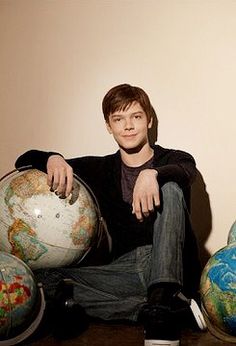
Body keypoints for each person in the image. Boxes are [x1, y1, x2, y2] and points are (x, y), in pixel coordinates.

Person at [15, 84, 205, 346]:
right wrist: (53, 158)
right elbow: (23, 160)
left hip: (174, 268)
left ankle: (164, 299)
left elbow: (186, 170)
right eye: (118, 119)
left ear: (149, 120)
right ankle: (155, 310)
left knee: (171, 188)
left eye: (136, 117)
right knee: (44, 282)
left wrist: (153, 174)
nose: (128, 126)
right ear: (109, 126)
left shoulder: (174, 158)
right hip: (127, 270)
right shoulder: (100, 168)